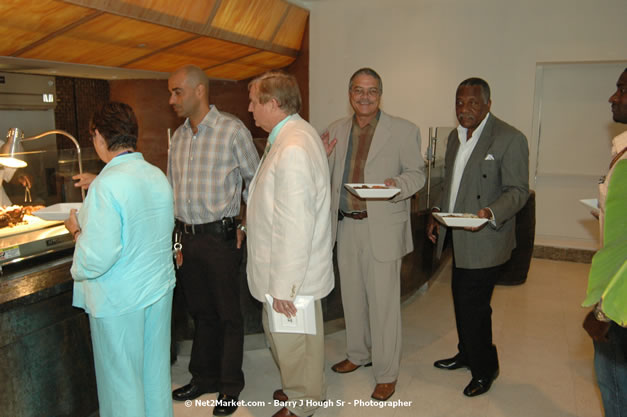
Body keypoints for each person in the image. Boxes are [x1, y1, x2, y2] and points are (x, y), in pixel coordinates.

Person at [64, 102, 175, 417]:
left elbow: (97, 256)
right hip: (157, 288)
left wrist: (76, 231)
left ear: (99, 137)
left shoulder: (106, 185)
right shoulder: (156, 175)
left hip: (119, 299)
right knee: (153, 374)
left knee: (121, 382)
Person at [322, 67, 425, 401]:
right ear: (349, 93)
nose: (364, 97)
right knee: (351, 298)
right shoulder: (335, 129)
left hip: (382, 226)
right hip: (346, 225)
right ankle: (357, 354)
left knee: (383, 306)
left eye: (371, 91)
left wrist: (398, 186)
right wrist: (320, 158)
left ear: (380, 94)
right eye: (357, 90)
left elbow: (417, 174)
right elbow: (325, 177)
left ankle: (386, 372)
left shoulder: (403, 130)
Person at [426, 77, 529, 397]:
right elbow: (451, 183)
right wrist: (438, 214)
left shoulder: (510, 138)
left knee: (475, 306)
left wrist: (489, 213)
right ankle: (467, 353)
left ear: (488, 104)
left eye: (472, 103)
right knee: (461, 298)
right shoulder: (456, 138)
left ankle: (486, 368)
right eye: (459, 102)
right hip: (457, 234)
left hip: (486, 238)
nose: (464, 109)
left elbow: (518, 192)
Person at [167, 65, 259, 417]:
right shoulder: (177, 138)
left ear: (199, 91)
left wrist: (245, 226)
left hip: (221, 238)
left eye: (177, 91)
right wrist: (175, 240)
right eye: (171, 93)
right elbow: (172, 191)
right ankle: (202, 377)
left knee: (227, 316)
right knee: (200, 314)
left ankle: (230, 386)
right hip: (187, 240)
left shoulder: (232, 130)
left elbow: (257, 183)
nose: (172, 99)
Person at [246, 71, 334, 417]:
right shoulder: (293, 135)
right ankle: (310, 392)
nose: (250, 108)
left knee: (294, 342)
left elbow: (294, 224)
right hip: (294, 269)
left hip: (290, 273)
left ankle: (302, 405)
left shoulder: (293, 146)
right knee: (302, 341)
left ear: (273, 103)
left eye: (254, 101)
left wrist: (285, 285)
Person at [581, 68, 627, 417]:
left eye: (622, 90)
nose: (613, 97)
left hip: (620, 301)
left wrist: (605, 307)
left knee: (616, 385)